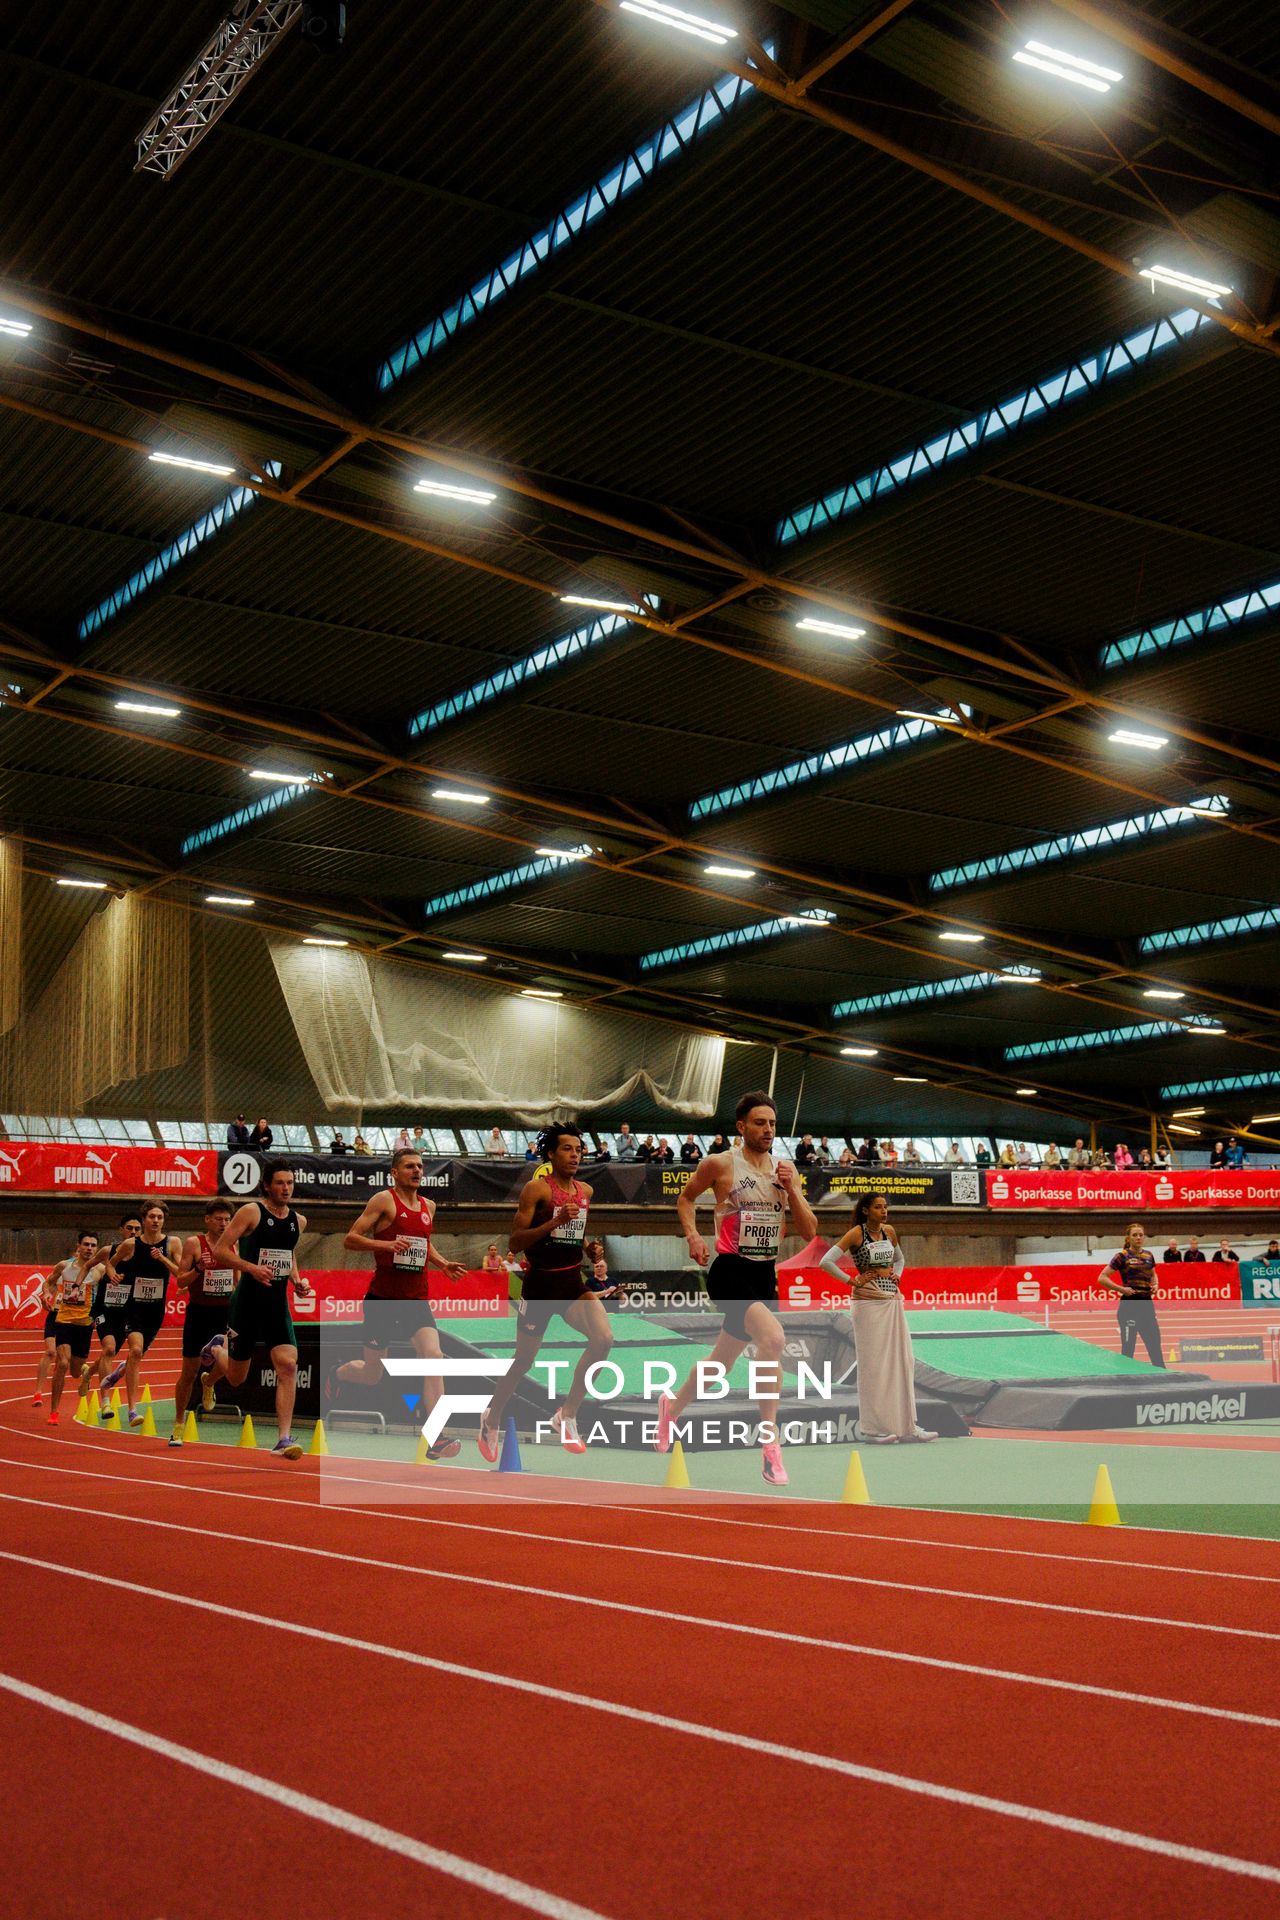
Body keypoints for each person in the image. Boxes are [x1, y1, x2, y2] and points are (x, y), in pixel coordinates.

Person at [658, 1091, 818, 1487]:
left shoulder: (785, 1170)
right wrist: (694, 1236)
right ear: (741, 1127)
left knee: (719, 1365)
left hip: (764, 1275)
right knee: (774, 1338)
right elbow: (686, 1197)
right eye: (760, 1123)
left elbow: (810, 1232)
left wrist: (793, 1190)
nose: (768, 1130)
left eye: (773, 1124)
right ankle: (770, 1445)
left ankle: (671, 1408)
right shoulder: (720, 1164)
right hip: (729, 1270)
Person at [477, 1123, 608, 1458]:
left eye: (579, 1149)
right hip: (539, 1287)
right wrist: (553, 1222)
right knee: (523, 1361)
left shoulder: (586, 1192)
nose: (575, 1154)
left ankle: (567, 1414)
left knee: (604, 1340)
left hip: (571, 1285)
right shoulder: (537, 1190)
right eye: (567, 1148)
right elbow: (515, 1242)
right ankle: (490, 1417)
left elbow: (575, 1234)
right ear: (551, 1154)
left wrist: (588, 1249)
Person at [329, 1148, 469, 1459]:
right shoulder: (383, 1200)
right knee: (372, 1374)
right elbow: (350, 1239)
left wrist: (442, 1263)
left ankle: (436, 1436)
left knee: (433, 1355)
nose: (417, 1171)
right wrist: (386, 1244)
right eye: (409, 1166)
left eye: (420, 1166)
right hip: (382, 1299)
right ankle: (337, 1373)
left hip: (415, 1299)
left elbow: (423, 1244)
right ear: (395, 1172)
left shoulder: (428, 1206)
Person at [211, 1162, 314, 1459]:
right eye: (280, 1183)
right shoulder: (251, 1212)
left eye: (290, 1182)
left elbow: (288, 1253)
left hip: (276, 1304)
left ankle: (283, 1437)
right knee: (236, 1378)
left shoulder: (299, 1221)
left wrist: (296, 1280)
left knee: (288, 1365)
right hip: (246, 1304)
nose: (286, 1188)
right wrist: (251, 1268)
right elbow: (220, 1250)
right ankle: (218, 1351)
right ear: (267, 1185)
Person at [819, 1194, 936, 1443]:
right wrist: (851, 1280)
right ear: (865, 1211)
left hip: (892, 1299)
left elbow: (900, 1259)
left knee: (902, 1361)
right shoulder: (855, 1234)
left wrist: (898, 1275)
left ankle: (908, 1426)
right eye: (877, 1207)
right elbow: (826, 1261)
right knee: (874, 1366)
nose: (884, 1212)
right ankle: (872, 1429)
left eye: (885, 1207)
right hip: (867, 1302)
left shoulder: (889, 1232)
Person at [99, 1202, 182, 1427]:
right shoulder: (130, 1244)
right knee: (135, 1350)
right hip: (132, 1305)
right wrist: (112, 1275)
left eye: (160, 1217)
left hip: (155, 1310)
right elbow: (110, 1264)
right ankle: (133, 1410)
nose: (156, 1220)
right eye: (152, 1217)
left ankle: (117, 1374)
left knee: (137, 1356)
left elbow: (182, 1274)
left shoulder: (172, 1243)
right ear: (144, 1219)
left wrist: (162, 1259)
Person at [168, 1199, 236, 1447]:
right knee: (188, 1373)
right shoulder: (194, 1243)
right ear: (207, 1219)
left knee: (230, 1363)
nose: (223, 1224)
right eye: (218, 1219)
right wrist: (198, 1267)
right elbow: (181, 1282)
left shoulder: (234, 1243)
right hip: (199, 1313)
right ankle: (178, 1424)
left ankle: (209, 1382)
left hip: (225, 1313)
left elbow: (236, 1280)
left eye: (227, 1219)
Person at [81, 1211, 142, 1417]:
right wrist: (77, 1285)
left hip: (126, 1310)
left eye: (137, 1229)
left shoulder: (143, 1253)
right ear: (121, 1230)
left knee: (110, 1353)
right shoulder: (108, 1251)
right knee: (108, 1349)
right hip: (104, 1309)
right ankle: (105, 1401)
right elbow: (88, 1265)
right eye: (129, 1228)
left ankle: (89, 1372)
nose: (133, 1232)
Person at [43, 1232, 101, 1425]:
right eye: (86, 1245)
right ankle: (54, 1412)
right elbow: (49, 1281)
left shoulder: (99, 1269)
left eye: (93, 1246)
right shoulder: (64, 1266)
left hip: (84, 1324)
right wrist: (46, 1295)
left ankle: (85, 1373)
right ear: (79, 1246)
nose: (89, 1248)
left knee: (75, 1372)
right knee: (62, 1363)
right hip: (64, 1320)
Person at [1095, 1222, 1164, 1367]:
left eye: (1141, 1235)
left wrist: (1156, 1284)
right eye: (1135, 1235)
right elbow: (1102, 1277)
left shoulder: (1149, 1255)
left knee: (1155, 1345)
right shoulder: (1122, 1256)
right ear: (1128, 1238)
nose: (1138, 1237)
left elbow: (1153, 1273)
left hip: (1146, 1305)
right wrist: (1121, 1289)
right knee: (1128, 1349)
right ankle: (1126, 1383)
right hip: (1129, 1306)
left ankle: (1162, 1376)